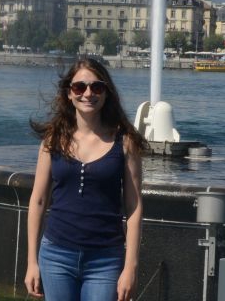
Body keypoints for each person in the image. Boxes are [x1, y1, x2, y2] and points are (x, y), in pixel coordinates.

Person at [24, 57, 146, 301]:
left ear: (106, 93)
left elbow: (133, 208)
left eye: (96, 87)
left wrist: (130, 267)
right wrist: (31, 262)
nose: (88, 93)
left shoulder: (124, 142)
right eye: (80, 87)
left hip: (105, 260)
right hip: (56, 255)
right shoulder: (52, 140)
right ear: (69, 93)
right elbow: (38, 201)